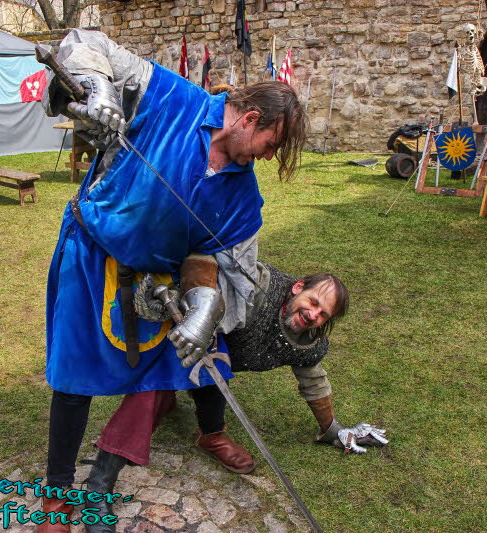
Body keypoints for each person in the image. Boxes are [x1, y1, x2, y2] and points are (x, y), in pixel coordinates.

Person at [38, 30, 305, 533]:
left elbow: (220, 259)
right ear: (250, 120)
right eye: (271, 144)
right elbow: (84, 42)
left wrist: (205, 307)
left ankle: (103, 483)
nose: (268, 157)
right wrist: (100, 92)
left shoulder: (243, 195)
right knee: (72, 381)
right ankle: (56, 502)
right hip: (90, 254)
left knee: (164, 375)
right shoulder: (171, 97)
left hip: (157, 286)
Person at [185, 262, 388, 474]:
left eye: (323, 314)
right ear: (298, 287)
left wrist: (333, 430)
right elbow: (209, 268)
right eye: (312, 302)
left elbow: (314, 382)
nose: (312, 315)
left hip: (214, 361)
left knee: (217, 370)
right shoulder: (257, 282)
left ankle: (212, 437)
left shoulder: (308, 340)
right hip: (184, 325)